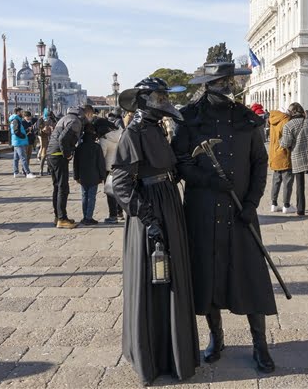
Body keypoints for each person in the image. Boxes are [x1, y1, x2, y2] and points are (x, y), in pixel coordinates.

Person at [171, 61, 276, 373]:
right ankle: (216, 338)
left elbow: (260, 162)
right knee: (208, 276)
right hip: (202, 212)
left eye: (229, 80)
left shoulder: (247, 120)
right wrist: (206, 180)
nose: (226, 86)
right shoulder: (188, 119)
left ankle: (260, 344)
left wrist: (252, 202)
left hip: (239, 213)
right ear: (208, 83)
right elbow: (179, 163)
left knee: (250, 277)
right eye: (219, 81)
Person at [111, 77, 199, 386]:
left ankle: (173, 352)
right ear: (145, 99)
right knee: (156, 281)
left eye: (165, 95)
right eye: (159, 96)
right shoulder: (133, 133)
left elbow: (167, 169)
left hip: (168, 207)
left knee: (171, 279)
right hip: (150, 213)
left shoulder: (156, 130)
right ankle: (154, 357)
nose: (164, 100)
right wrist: (149, 219)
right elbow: (120, 185)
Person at [48, 105, 90, 228]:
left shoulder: (66, 118)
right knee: (63, 188)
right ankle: (62, 219)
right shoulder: (75, 121)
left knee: (57, 187)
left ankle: (58, 216)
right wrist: (67, 154)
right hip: (59, 155)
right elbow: (62, 139)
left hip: (51, 154)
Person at [281, 102, 308, 216]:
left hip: (297, 156)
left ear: (292, 113)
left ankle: (301, 209)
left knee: (300, 185)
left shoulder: (288, 125)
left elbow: (285, 143)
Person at [73, 117, 105, 226]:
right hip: (94, 176)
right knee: (91, 197)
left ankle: (85, 216)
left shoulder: (79, 147)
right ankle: (89, 217)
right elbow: (101, 163)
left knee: (84, 196)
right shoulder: (96, 147)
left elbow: (75, 163)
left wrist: (76, 176)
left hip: (82, 176)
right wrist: (102, 176)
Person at [96, 117, 124, 223]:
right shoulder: (121, 132)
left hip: (109, 169)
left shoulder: (104, 139)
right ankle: (120, 212)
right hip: (121, 166)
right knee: (120, 190)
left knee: (110, 193)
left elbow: (102, 156)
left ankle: (113, 216)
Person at [268, 107, 295, 213]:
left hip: (273, 153)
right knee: (287, 181)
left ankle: (273, 204)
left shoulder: (272, 119)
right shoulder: (285, 120)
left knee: (276, 181)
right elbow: (287, 139)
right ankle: (286, 205)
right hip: (283, 153)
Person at [9, 107, 36, 179]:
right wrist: (23, 136)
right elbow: (16, 131)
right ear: (18, 112)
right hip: (19, 141)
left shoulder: (15, 119)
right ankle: (27, 173)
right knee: (24, 157)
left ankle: (16, 172)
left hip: (16, 141)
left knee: (16, 158)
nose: (22, 113)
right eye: (21, 111)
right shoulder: (16, 120)